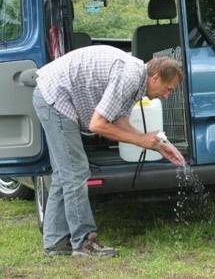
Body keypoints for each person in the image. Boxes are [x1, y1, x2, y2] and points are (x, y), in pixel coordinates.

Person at [32, 45, 185, 257]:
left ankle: (56, 242)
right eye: (169, 89)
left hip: (52, 94)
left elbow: (118, 119)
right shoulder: (130, 76)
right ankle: (84, 241)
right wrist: (141, 139)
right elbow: (98, 125)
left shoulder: (136, 80)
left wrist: (156, 144)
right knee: (76, 171)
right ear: (155, 78)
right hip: (55, 96)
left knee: (64, 172)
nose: (168, 96)